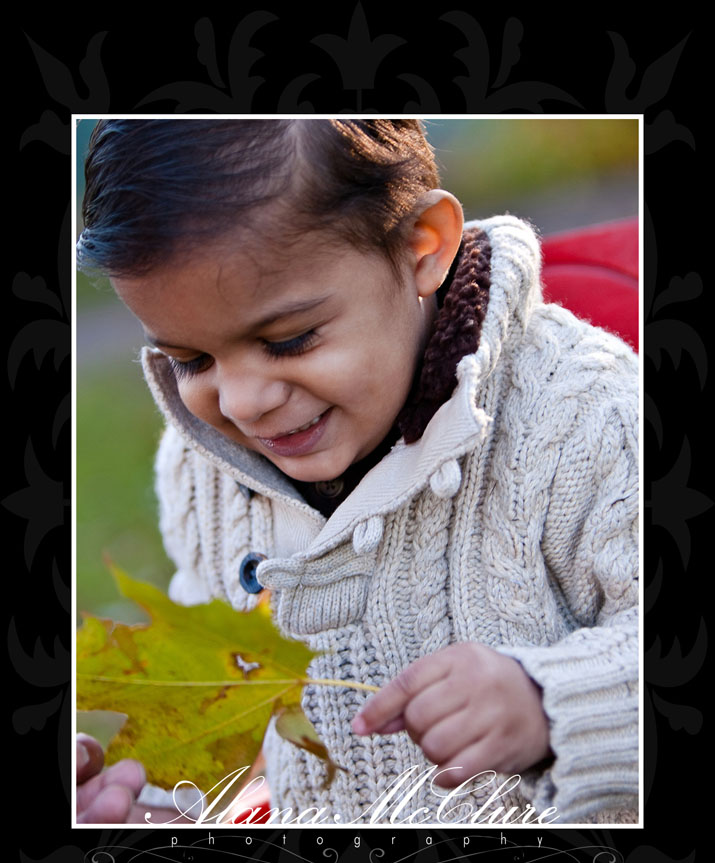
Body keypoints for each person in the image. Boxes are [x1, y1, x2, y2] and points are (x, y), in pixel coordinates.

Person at [77, 119, 639, 825]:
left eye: (289, 340)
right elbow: (231, 734)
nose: (243, 402)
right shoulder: (203, 472)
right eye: (192, 360)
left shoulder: (583, 415)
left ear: (421, 247)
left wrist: (552, 704)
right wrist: (161, 817)